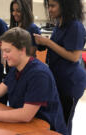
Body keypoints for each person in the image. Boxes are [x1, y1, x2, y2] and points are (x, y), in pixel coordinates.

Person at [0, 27, 68, 135]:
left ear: (22, 50)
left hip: (44, 129)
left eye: (7, 51)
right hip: (24, 126)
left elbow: (26, 115)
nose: (4, 56)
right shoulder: (17, 68)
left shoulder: (39, 74)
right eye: (3, 51)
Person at [34, 0, 86, 134]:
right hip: (58, 78)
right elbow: (58, 47)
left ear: (65, 6)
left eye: (52, 6)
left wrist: (48, 42)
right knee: (56, 119)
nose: (49, 10)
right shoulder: (59, 23)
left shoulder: (75, 26)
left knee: (63, 122)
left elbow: (74, 56)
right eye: (48, 6)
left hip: (70, 82)